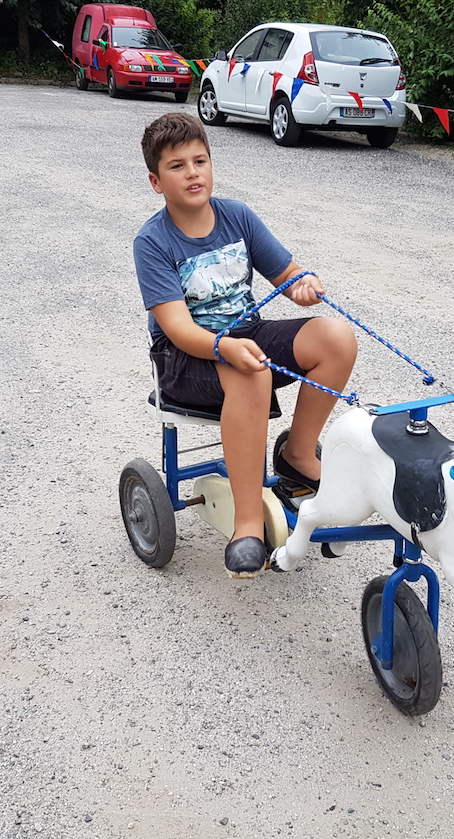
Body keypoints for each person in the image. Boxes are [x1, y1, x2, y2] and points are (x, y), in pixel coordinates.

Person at [133, 113, 358, 578]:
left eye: (200, 161)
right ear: (156, 182)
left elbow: (287, 271)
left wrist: (302, 283)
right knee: (251, 370)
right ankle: (248, 522)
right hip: (186, 358)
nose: (193, 173)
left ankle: (297, 454)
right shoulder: (152, 241)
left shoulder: (237, 216)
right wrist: (224, 348)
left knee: (336, 337)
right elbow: (177, 328)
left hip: (245, 338)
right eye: (177, 166)